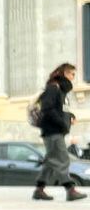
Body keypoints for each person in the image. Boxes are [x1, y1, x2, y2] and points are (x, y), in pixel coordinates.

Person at [33, 63, 85, 201]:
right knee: (63, 159)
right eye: (72, 74)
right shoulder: (53, 88)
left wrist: (70, 116)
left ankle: (39, 190)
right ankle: (70, 190)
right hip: (53, 131)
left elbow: (61, 110)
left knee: (51, 161)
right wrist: (62, 124)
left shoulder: (61, 91)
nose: (73, 77)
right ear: (65, 74)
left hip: (55, 130)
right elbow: (48, 110)